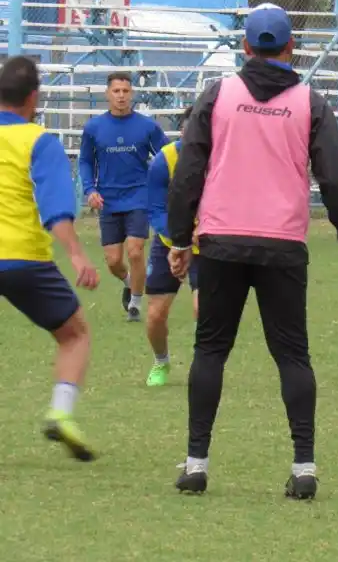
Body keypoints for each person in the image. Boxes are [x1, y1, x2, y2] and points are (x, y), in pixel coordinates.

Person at [166, 3, 338, 499]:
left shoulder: (217, 95)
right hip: (282, 245)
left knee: (210, 351)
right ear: (290, 47)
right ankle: (304, 468)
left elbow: (188, 170)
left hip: (221, 241)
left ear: (245, 47)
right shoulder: (309, 102)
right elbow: (337, 179)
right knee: (293, 356)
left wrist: (179, 239)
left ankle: (196, 464)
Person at [0, 56, 101, 460]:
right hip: (23, 260)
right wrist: (77, 255)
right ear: (33, 97)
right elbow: (56, 210)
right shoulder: (39, 141)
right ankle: (61, 413)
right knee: (74, 334)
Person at [78, 71, 169, 322]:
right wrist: (90, 189)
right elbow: (85, 161)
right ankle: (130, 282)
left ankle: (135, 305)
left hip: (139, 195)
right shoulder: (94, 128)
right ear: (107, 94)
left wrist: (164, 186)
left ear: (132, 94)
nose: (121, 96)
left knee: (136, 251)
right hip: (108, 199)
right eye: (116, 91)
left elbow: (167, 156)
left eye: (125, 91)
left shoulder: (147, 126)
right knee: (113, 261)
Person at [144, 106, 201, 388]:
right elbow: (155, 209)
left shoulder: (220, 159)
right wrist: (179, 241)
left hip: (206, 246)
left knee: (203, 309)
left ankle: (204, 366)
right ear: (181, 131)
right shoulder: (164, 161)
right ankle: (161, 361)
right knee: (155, 315)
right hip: (170, 244)